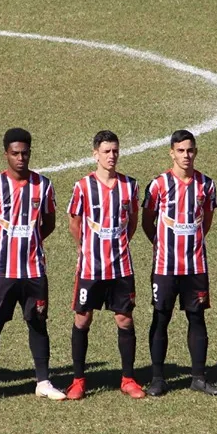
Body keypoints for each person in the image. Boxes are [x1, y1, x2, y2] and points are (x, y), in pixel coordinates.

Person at [0, 128, 65, 403]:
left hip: (34, 271)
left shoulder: (43, 185)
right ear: (6, 155)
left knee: (37, 323)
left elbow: (49, 223)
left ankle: (43, 381)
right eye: (15, 153)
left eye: (25, 153)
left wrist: (31, 242)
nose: (21, 158)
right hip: (1, 272)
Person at [141, 130, 217, 396]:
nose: (186, 155)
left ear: (195, 152)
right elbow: (147, 221)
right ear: (171, 153)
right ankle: (157, 378)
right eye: (180, 151)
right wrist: (163, 244)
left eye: (190, 150)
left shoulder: (206, 185)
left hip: (195, 266)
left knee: (197, 317)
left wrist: (192, 242)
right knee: (161, 318)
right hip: (165, 266)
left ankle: (198, 377)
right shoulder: (159, 185)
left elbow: (206, 221)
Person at [66, 130, 142, 400]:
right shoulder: (83, 186)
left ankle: (128, 378)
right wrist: (85, 247)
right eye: (106, 151)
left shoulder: (129, 186)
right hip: (90, 268)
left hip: (120, 268)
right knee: (83, 319)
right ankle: (78, 380)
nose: (112, 156)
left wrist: (119, 243)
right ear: (95, 154)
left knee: (124, 319)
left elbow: (132, 222)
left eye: (115, 151)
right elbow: (75, 222)